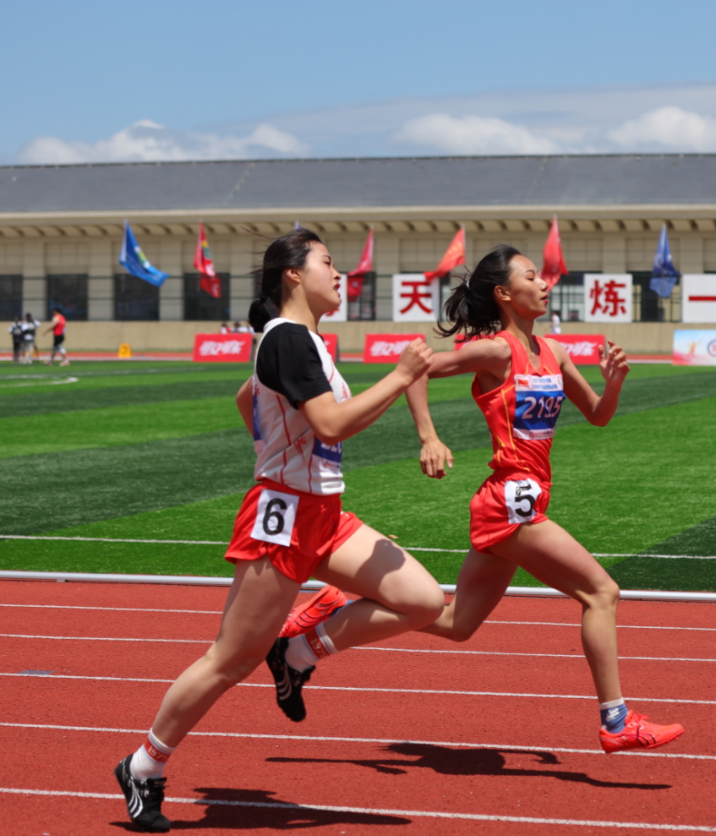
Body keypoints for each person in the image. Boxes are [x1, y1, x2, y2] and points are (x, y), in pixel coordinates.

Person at [292, 244, 685, 759]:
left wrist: (613, 384)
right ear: (504, 293)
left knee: (457, 624)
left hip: (521, 499)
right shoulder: (496, 351)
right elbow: (415, 370)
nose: (544, 283)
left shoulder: (556, 352)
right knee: (601, 592)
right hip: (510, 501)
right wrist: (428, 437)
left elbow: (597, 415)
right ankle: (616, 720)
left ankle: (333, 611)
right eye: (532, 276)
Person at [112, 228, 444, 832]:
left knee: (422, 600)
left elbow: (250, 398)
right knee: (229, 659)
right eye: (328, 262)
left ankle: (296, 651)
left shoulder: (304, 341)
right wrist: (399, 377)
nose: (340, 274)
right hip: (284, 516)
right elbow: (332, 424)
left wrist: (275, 445)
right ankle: (143, 765)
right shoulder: (288, 338)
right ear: (293, 274)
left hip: (325, 513)